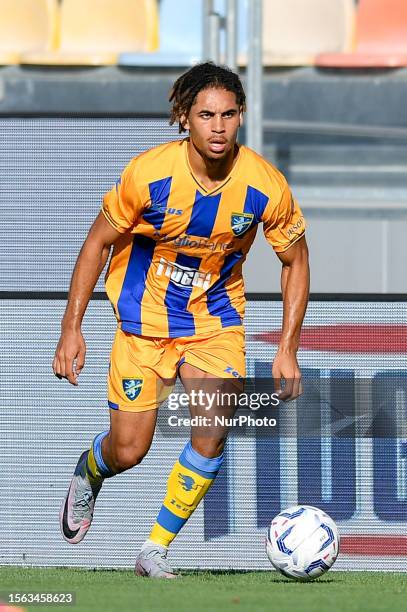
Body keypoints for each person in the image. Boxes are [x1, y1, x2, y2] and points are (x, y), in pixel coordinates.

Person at [52, 62, 309, 579]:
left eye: (229, 115)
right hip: (142, 323)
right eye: (206, 115)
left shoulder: (265, 184)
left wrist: (287, 346)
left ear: (242, 116)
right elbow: (96, 244)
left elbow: (296, 261)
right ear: (184, 117)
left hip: (215, 321)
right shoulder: (149, 174)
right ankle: (92, 468)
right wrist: (71, 327)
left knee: (212, 431)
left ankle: (156, 549)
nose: (218, 127)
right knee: (130, 449)